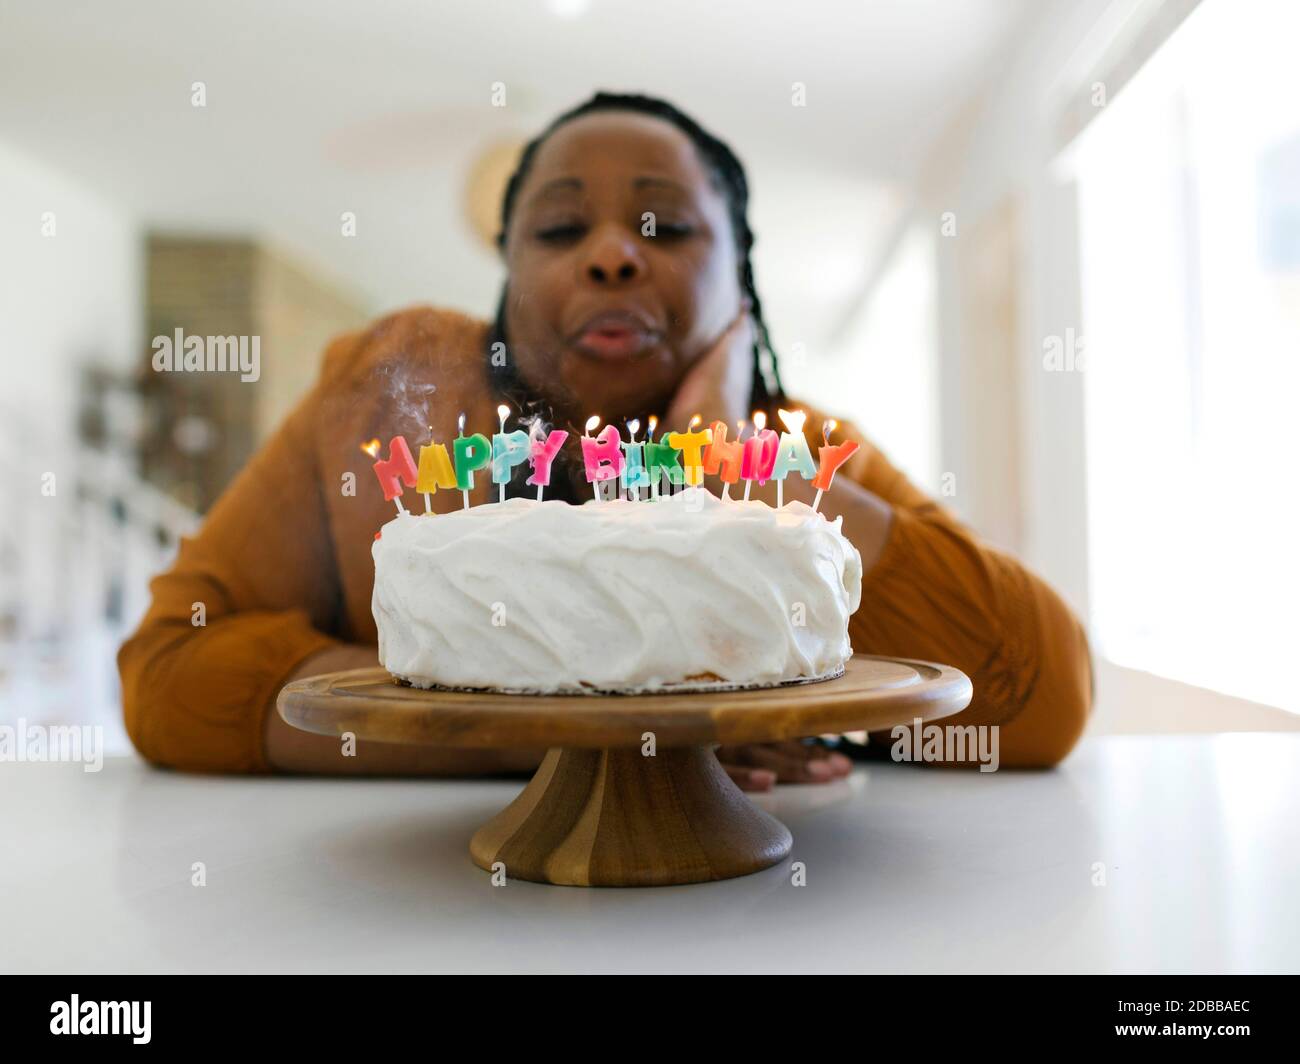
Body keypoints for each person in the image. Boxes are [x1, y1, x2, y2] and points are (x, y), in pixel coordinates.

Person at [119, 92, 1092, 788]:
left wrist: (713, 461)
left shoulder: (801, 455)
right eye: (557, 228)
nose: (612, 252)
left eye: (665, 225)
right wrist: (569, 733)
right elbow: (168, 674)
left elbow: (1042, 694)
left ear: (739, 285)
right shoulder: (387, 398)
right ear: (505, 275)